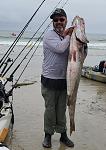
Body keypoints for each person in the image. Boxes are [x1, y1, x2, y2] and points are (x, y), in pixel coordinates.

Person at [41, 8, 74, 148]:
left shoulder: (71, 37)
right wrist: (67, 35)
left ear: (66, 20)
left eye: (61, 19)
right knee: (50, 109)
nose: (59, 22)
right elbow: (60, 48)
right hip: (49, 79)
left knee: (62, 109)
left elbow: (78, 52)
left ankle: (63, 135)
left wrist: (82, 43)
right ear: (53, 22)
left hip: (65, 80)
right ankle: (47, 135)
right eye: (56, 20)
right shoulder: (49, 35)